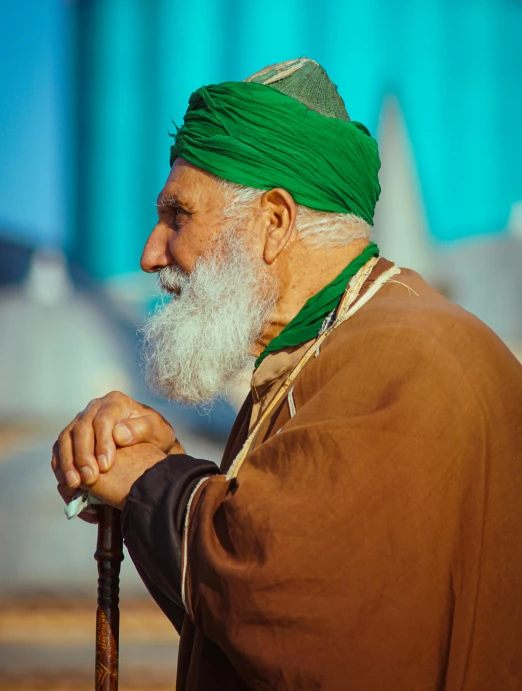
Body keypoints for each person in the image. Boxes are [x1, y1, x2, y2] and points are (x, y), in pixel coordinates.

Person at [52, 58, 522, 690]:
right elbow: (248, 637)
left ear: (274, 221)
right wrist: (158, 473)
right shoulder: (322, 355)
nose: (150, 253)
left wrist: (150, 483)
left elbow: (298, 607)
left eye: (178, 216)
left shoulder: (406, 356)